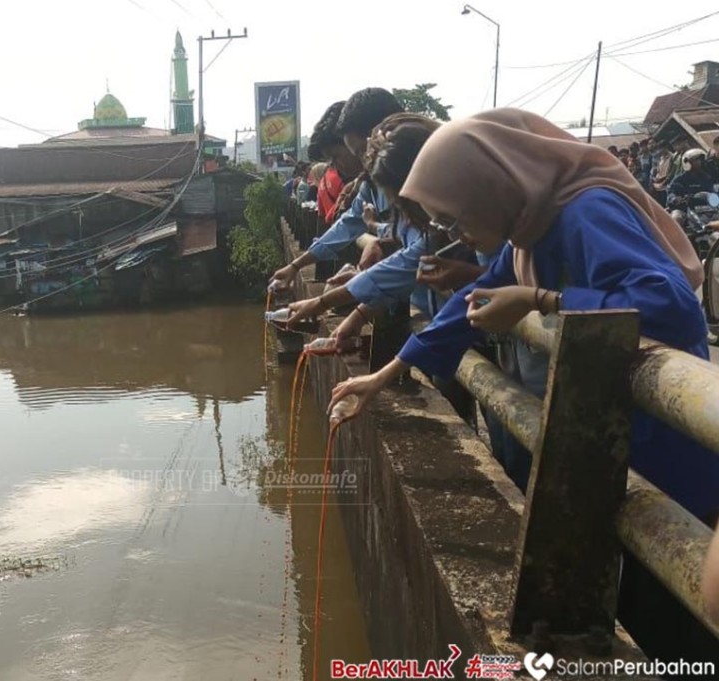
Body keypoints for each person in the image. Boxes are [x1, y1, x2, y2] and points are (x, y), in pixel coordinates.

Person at [328, 108, 719, 664]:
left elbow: (670, 307)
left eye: (454, 217)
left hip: (666, 456)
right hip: (611, 457)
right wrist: (386, 374)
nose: (450, 233)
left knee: (677, 627)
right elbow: (467, 310)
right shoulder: (527, 234)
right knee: (632, 608)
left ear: (490, 185)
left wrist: (541, 302)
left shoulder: (585, 212)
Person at [269, 88, 404, 290]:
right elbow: (347, 226)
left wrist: (378, 236)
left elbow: (415, 246)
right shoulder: (370, 185)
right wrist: (296, 265)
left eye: (336, 156)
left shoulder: (414, 179)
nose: (335, 165)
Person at [667, 148, 715, 227]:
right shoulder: (680, 180)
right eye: (696, 160)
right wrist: (675, 199)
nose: (699, 162)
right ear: (687, 162)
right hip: (685, 209)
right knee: (676, 218)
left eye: (700, 160)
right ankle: (676, 238)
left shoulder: (707, 178)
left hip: (706, 209)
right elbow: (672, 194)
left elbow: (714, 193)